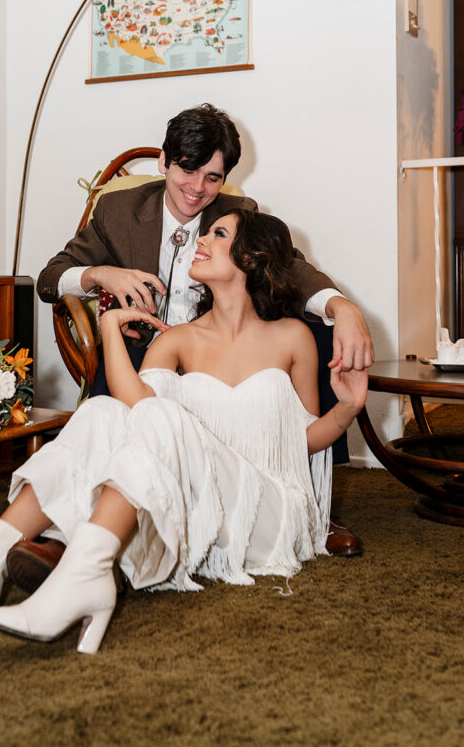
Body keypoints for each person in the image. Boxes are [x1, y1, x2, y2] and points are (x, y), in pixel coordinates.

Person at [0, 209, 368, 655]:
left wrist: (347, 407)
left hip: (263, 512)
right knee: (101, 413)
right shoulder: (179, 337)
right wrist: (110, 328)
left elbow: (302, 439)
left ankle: (79, 571)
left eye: (217, 233)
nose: (200, 238)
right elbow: (134, 407)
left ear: (251, 257)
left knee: (157, 415)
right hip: (201, 502)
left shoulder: (293, 336)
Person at [20, 104, 373, 583]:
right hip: (151, 345)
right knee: (108, 399)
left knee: (316, 331)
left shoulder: (237, 215)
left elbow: (294, 268)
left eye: (213, 177)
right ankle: (79, 524)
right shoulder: (119, 211)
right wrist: (103, 274)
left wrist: (342, 308)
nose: (198, 189)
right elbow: (49, 279)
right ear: (164, 162)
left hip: (228, 345)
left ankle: (310, 505)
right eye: (188, 169)